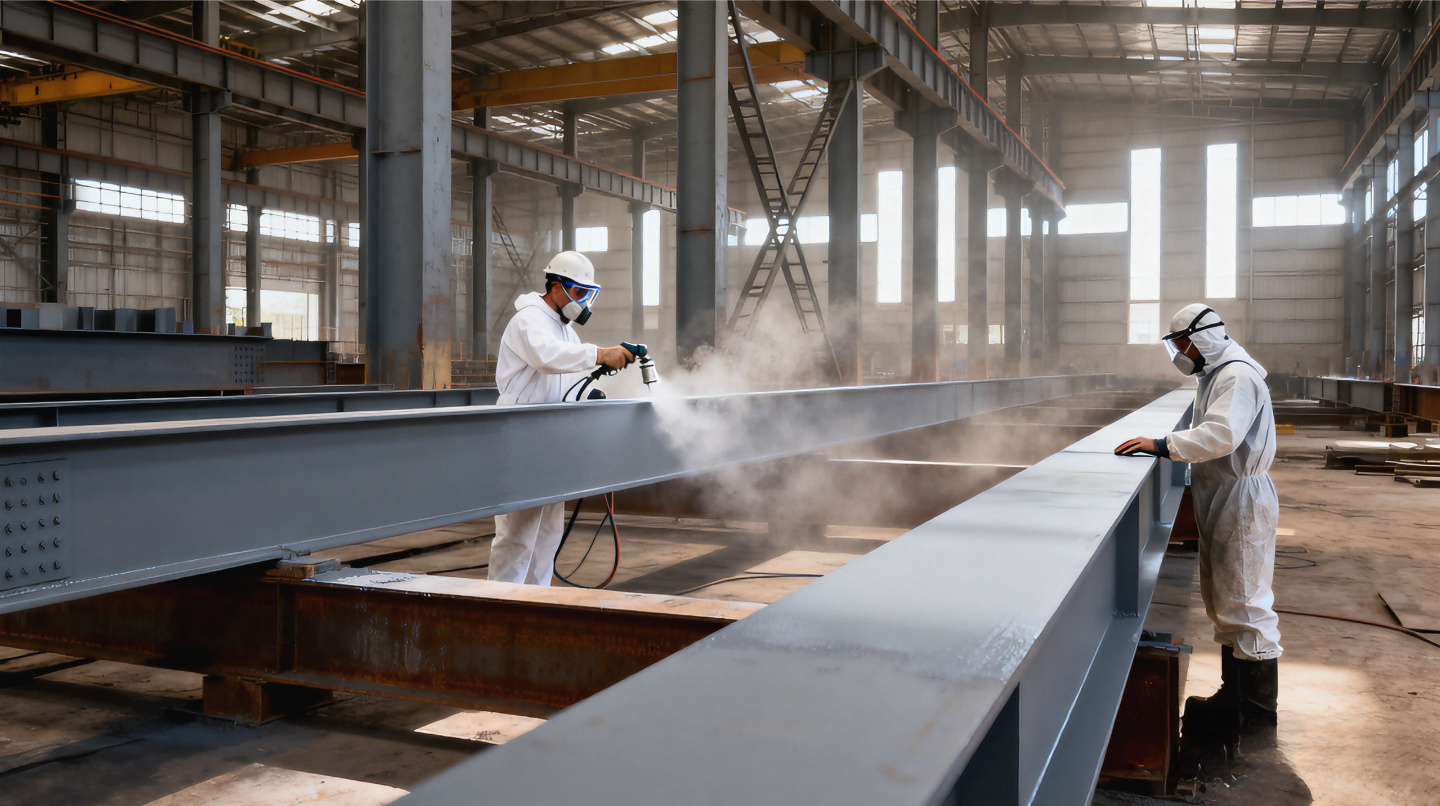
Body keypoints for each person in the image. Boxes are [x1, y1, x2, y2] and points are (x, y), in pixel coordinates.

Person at [1114, 303, 1281, 748]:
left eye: (1182, 343)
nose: (1179, 352)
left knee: (1246, 601)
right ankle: (1235, 695)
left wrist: (1163, 444)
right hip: (1221, 493)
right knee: (1226, 599)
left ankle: (1257, 714)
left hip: (1240, 499)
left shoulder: (1236, 376)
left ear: (1202, 337)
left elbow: (1221, 435)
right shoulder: (1214, 374)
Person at [489, 250, 634, 586]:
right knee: (517, 533)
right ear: (556, 286)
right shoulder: (529, 320)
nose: (583, 302)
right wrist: (599, 353)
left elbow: (566, 379)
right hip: (521, 438)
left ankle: (538, 599)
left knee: (549, 532)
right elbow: (546, 358)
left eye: (587, 295)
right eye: (579, 293)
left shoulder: (565, 330)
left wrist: (590, 395)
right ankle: (502, 601)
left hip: (551, 440)